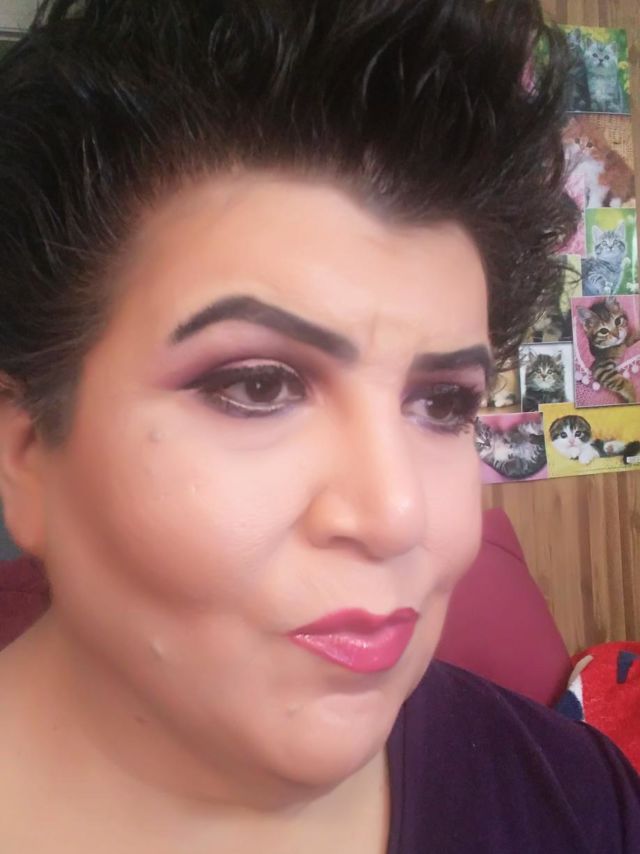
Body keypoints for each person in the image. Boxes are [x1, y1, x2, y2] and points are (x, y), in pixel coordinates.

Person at [0, 0, 637, 851]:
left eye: (443, 404)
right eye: (258, 386)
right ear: (25, 453)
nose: (396, 514)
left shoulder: (584, 803)